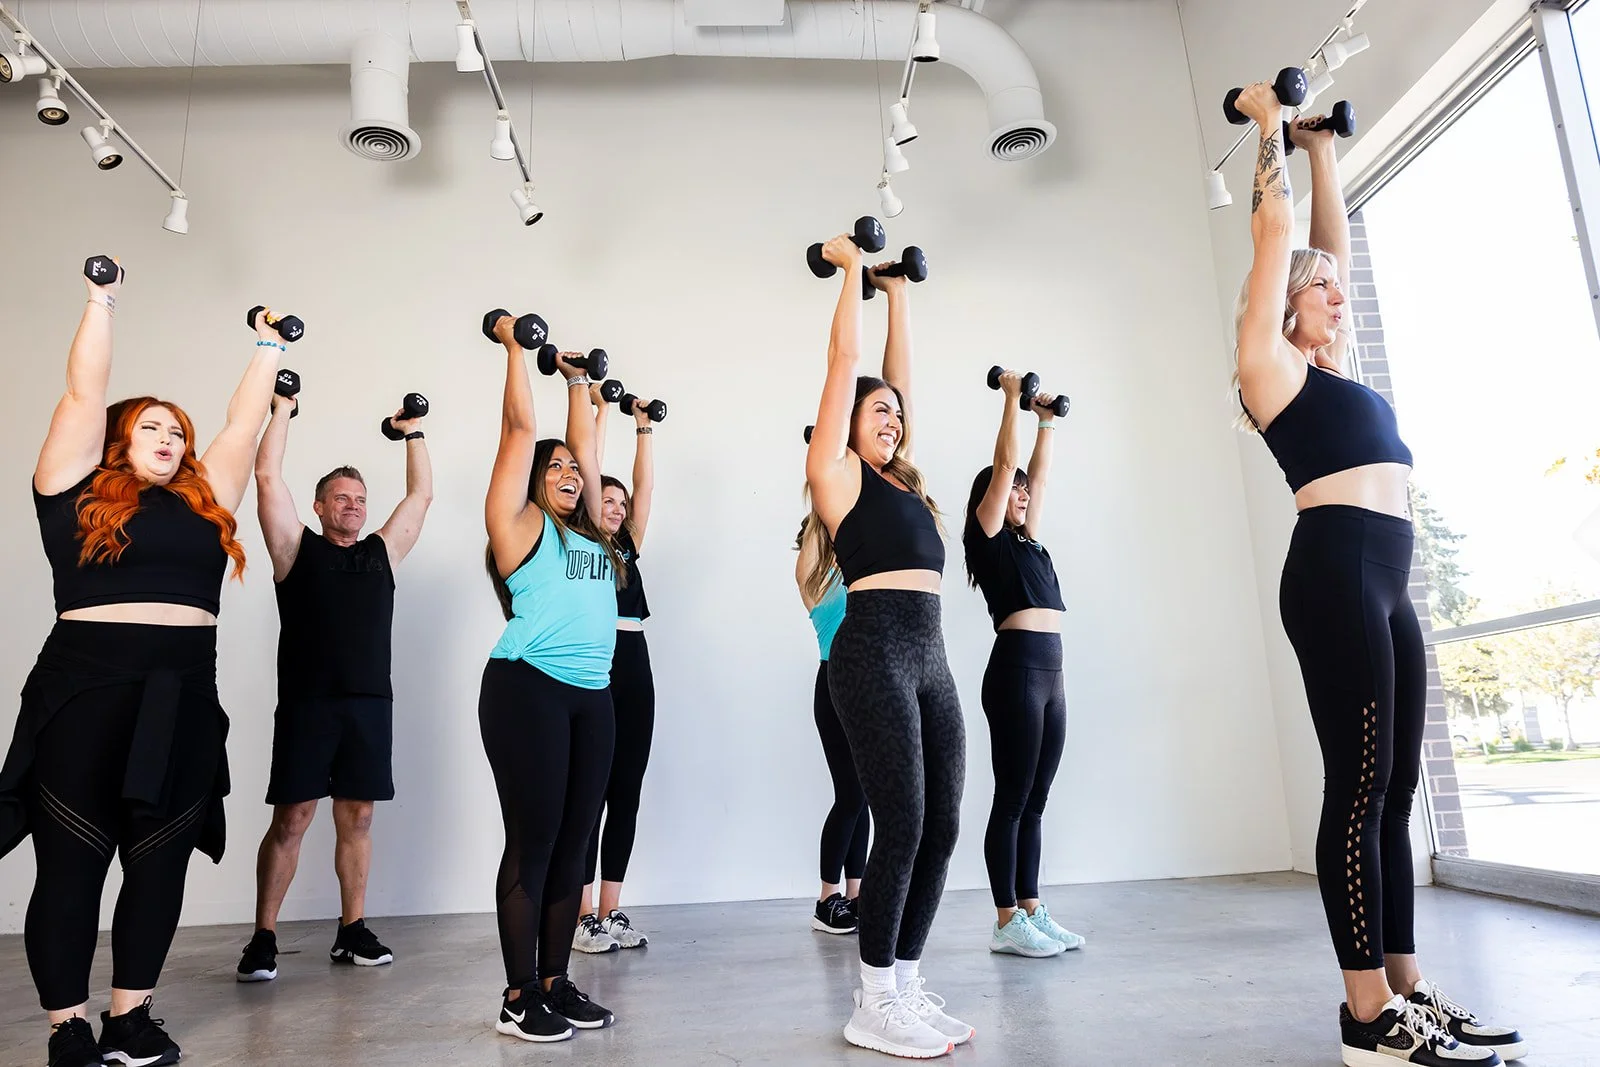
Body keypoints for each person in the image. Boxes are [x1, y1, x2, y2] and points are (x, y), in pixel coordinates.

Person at [1229, 83, 1524, 1066]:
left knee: (1396, 786)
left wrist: (1320, 152)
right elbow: (1281, 246)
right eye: (1318, 291)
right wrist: (1268, 128)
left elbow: (1326, 248)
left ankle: (1405, 988)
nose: (1336, 295)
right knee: (1357, 791)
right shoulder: (1272, 370)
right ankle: (1365, 1018)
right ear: (1282, 307)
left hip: (1386, 578)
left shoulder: (1343, 375)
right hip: (1336, 571)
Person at [0, 259, 282, 1067]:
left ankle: (131, 1017)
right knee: (72, 863)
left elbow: (240, 428)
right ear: (119, 437)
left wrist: (265, 346)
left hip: (183, 691)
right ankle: (67, 1027)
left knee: (158, 863)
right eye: (152, 427)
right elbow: (84, 396)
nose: (170, 438)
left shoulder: (207, 500)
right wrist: (100, 299)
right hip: (86, 686)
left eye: (177, 431)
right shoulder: (72, 487)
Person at [803, 237, 971, 1060]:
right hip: (870, 651)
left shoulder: (905, 478)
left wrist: (901, 294)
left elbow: (898, 382)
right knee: (899, 819)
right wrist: (850, 276)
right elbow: (849, 361)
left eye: (896, 415)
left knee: (942, 820)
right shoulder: (837, 477)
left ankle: (904, 981)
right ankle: (871, 999)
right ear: (848, 426)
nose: (893, 418)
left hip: (931, 655)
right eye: (879, 412)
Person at [234, 386, 434, 982]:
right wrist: (283, 410)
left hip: (370, 706)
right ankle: (263, 937)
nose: (352, 506)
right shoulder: (295, 550)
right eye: (341, 498)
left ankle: (352, 930)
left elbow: (422, 495)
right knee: (293, 819)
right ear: (319, 507)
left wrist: (414, 431)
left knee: (360, 818)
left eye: (360, 499)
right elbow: (267, 476)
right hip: (307, 705)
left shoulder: (381, 555)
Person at [480, 314, 622, 1043]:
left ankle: (553, 981)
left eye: (575, 469)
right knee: (532, 839)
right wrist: (516, 350)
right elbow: (515, 429)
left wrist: (577, 381)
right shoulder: (519, 523)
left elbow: (590, 444)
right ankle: (514, 995)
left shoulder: (594, 530)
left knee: (576, 843)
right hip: (526, 688)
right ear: (534, 480)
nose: (569, 474)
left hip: (592, 697)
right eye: (556, 467)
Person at [962, 371, 1084, 959]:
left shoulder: (1030, 539)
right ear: (991, 497)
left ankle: (1032, 908)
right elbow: (1008, 464)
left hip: (1051, 674)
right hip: (1014, 672)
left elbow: (1038, 475)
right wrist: (1012, 401)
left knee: (1036, 798)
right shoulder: (987, 537)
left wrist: (1047, 421)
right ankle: (1005, 919)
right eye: (1012, 490)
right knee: (1011, 797)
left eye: (1024, 493)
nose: (1023, 494)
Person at [573, 385, 661, 953]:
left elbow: (645, 488)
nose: (618, 507)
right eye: (608, 499)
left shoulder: (625, 545)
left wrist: (645, 428)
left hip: (637, 663)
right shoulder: (580, 541)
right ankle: (582, 917)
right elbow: (588, 468)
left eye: (621, 503)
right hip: (596, 662)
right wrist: (600, 413)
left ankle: (611, 911)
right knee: (591, 792)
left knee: (626, 791)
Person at [795, 510, 869, 935]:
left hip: (870, 690)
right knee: (850, 794)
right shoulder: (816, 583)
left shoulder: (862, 576)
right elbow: (823, 520)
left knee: (863, 797)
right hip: (835, 685)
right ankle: (826, 900)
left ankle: (856, 895)